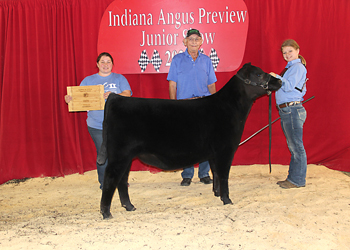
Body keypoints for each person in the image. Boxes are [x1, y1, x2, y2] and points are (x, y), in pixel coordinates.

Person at [65, 52, 132, 189]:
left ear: (112, 64)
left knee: (119, 153)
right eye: (102, 62)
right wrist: (70, 99)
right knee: (103, 153)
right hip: (96, 125)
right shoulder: (88, 80)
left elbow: (128, 94)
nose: (105, 65)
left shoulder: (119, 78)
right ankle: (105, 183)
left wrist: (114, 95)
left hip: (118, 125)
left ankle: (120, 180)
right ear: (97, 64)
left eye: (108, 62)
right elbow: (78, 97)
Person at [167, 29, 217, 186]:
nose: (194, 42)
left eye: (197, 39)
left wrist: (215, 103)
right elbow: (172, 83)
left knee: (206, 140)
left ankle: (204, 174)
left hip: (204, 104)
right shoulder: (177, 60)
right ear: (185, 41)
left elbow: (211, 84)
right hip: (184, 105)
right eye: (191, 39)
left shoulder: (207, 61)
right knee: (186, 141)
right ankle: (187, 174)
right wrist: (173, 104)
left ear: (201, 41)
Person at [270, 39, 308, 189]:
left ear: (297, 50)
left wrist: (276, 77)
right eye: (284, 53)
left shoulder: (297, 67)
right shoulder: (291, 68)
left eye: (290, 51)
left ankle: (297, 180)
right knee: (293, 145)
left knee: (296, 146)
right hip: (288, 110)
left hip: (292, 109)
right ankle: (293, 178)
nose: (287, 55)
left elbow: (289, 86)